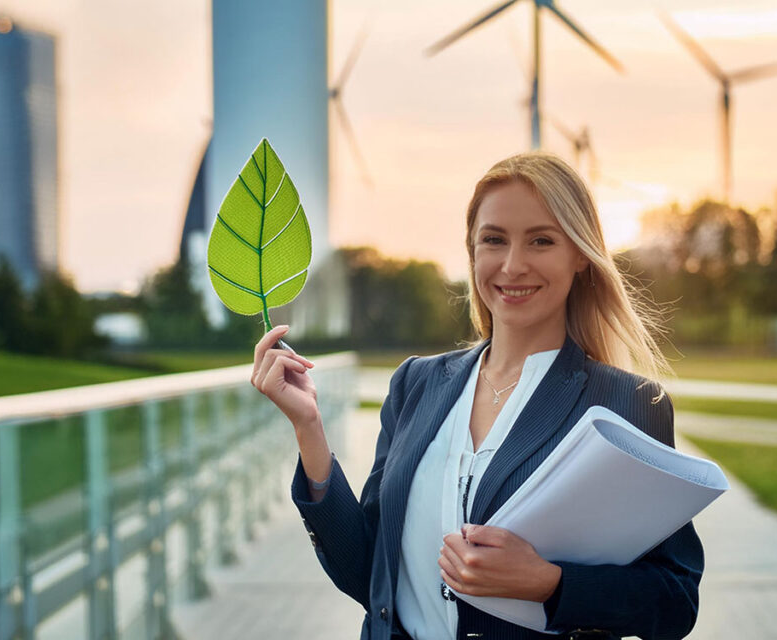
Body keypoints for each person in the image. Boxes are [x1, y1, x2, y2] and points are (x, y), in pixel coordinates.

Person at [251, 151, 703, 640]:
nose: (512, 264)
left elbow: (674, 601)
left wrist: (550, 584)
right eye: (494, 240)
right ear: (472, 252)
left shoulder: (628, 402)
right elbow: (370, 577)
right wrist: (309, 429)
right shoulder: (416, 384)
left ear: (579, 256)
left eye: (541, 240)